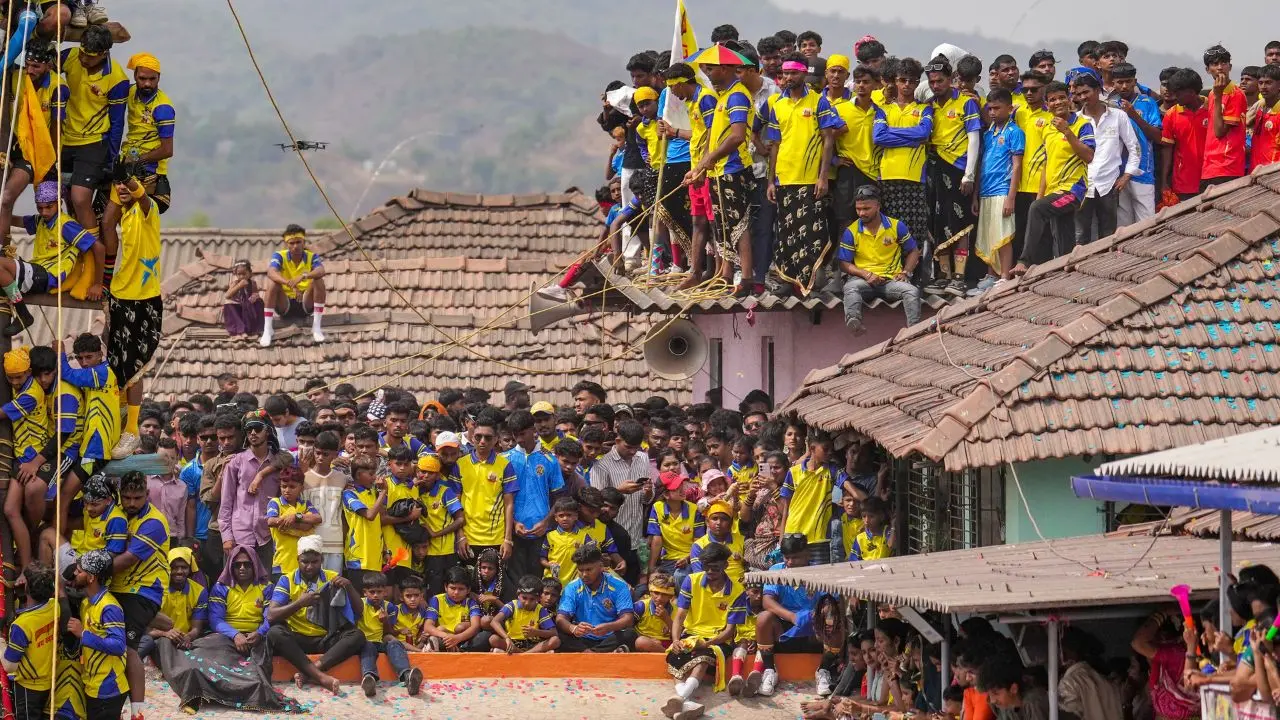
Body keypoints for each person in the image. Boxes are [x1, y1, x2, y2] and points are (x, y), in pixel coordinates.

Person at [763, 52, 839, 295]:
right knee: (786, 234)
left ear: (804, 74)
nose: (788, 77)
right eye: (785, 73)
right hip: (785, 179)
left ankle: (813, 283)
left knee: (813, 232)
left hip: (810, 180)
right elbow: (774, 145)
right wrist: (771, 180)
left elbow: (829, 141)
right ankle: (789, 282)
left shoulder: (819, 102)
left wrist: (823, 176)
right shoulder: (778, 104)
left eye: (793, 73)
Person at [681, 54, 757, 296]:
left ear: (724, 68)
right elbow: (712, 137)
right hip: (718, 169)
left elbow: (736, 136)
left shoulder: (737, 95)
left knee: (739, 224)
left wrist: (709, 159)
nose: (708, 74)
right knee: (722, 224)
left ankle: (745, 277)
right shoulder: (723, 96)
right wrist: (699, 167)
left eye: (710, 69)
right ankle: (725, 274)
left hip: (734, 167)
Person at [1012, 82, 1096, 275]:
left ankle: (1024, 260)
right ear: (1047, 104)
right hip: (1053, 191)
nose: (1057, 102)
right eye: (1052, 100)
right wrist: (1041, 194)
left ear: (1069, 99)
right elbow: (1046, 164)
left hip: (1073, 190)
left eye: (1061, 98)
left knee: (1037, 209)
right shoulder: (1048, 128)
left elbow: (1089, 156)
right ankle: (1066, 273)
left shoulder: (1083, 125)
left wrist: (1067, 131)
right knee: (1063, 237)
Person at [0, 181, 102, 337]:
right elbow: (15, 220)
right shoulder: (41, 220)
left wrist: (97, 283)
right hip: (36, 270)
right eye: (40, 208)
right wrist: (4, 208)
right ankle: (20, 309)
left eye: (49, 207)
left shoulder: (66, 225)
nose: (44, 212)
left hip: (48, 276)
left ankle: (23, 313)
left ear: (59, 203)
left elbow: (99, 248)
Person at [266, 535, 363, 693]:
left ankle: (310, 672)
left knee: (357, 636)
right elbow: (271, 615)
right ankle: (321, 677)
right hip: (296, 639)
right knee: (275, 633)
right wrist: (299, 603)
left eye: (314, 562)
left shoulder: (332, 577)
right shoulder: (287, 580)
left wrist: (350, 587)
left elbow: (359, 611)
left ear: (322, 559)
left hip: (325, 638)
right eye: (305, 562)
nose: (309, 567)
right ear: (298, 559)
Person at [662, 542, 748, 719]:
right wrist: (676, 640)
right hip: (691, 634)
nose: (709, 572)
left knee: (702, 658)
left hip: (718, 640)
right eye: (706, 567)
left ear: (725, 565)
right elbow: (679, 617)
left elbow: (730, 631)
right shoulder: (691, 580)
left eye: (715, 568)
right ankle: (685, 703)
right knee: (674, 656)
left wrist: (707, 643)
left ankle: (680, 698)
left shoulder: (738, 591)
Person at [110, 470, 170, 720]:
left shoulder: (154, 522)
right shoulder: (117, 514)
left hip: (144, 590)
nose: (132, 503)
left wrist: (86, 573)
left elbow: (126, 560)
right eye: (126, 497)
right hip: (117, 589)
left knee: (129, 647)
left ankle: (137, 712)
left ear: (147, 494)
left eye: (137, 498)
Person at [60, 25, 129, 236]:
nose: (83, 59)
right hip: (62, 139)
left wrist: (111, 158)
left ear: (104, 53)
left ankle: (91, 251)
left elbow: (117, 123)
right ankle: (73, 255)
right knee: (66, 200)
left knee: (80, 199)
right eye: (82, 52)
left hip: (92, 144)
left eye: (89, 57)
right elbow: (42, 70)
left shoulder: (117, 78)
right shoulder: (69, 56)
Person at [874, 58, 935, 282]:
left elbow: (924, 134)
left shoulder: (924, 109)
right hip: (887, 176)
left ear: (917, 83)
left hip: (914, 177)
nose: (907, 85)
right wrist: (912, 136)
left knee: (914, 230)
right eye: (902, 80)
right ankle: (890, 274)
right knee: (889, 230)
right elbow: (879, 137)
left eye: (912, 80)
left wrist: (896, 135)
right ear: (895, 82)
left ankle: (913, 275)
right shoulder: (883, 110)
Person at [925, 54, 981, 295]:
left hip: (958, 168)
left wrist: (969, 175)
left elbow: (974, 138)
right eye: (932, 82)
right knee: (937, 222)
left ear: (951, 79)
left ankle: (959, 276)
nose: (936, 85)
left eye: (940, 80)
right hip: (934, 168)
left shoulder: (966, 102)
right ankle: (942, 275)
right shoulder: (929, 105)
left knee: (960, 224)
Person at [0, 41, 65, 242]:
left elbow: (56, 127)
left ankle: (3, 251)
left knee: (6, 198)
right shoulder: (14, 77)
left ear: (49, 65)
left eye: (36, 66)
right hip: (8, 145)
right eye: (27, 64)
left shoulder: (58, 87)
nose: (30, 70)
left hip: (33, 152)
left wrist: (53, 162)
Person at [837, 184, 922, 334]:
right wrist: (866, 275)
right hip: (864, 281)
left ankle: (915, 332)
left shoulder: (896, 226)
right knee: (850, 288)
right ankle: (854, 324)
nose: (861, 213)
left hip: (891, 281)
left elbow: (913, 251)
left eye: (866, 208)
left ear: (878, 206)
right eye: (858, 209)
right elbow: (844, 264)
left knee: (912, 292)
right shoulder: (851, 231)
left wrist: (906, 272)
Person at [1071, 69, 1140, 244]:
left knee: (1108, 233)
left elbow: (1134, 147)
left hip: (1109, 183)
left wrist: (1126, 176)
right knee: (1080, 235)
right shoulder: (1075, 121)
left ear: (1098, 89)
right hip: (1081, 184)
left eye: (1087, 91)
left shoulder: (1118, 116)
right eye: (1079, 94)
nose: (1083, 97)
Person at [748, 533, 818, 697]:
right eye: (787, 558)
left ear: (807, 554)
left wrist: (814, 616)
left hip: (813, 628)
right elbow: (767, 602)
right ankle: (769, 670)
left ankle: (825, 670)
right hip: (784, 628)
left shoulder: (819, 571)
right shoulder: (775, 570)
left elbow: (830, 603)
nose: (790, 562)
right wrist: (792, 617)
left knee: (832, 619)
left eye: (796, 558)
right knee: (764, 618)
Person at [219, 410, 285, 572]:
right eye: (249, 430)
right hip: (240, 534)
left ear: (267, 431)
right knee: (239, 584)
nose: (253, 433)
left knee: (267, 584)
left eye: (257, 428)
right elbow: (226, 502)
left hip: (269, 534)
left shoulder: (279, 462)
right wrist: (226, 537)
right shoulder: (236, 462)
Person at [68, 549, 129, 720]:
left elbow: (118, 646)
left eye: (79, 571)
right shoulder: (87, 603)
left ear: (91, 577)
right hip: (92, 685)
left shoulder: (109, 607)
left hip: (109, 688)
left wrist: (83, 634)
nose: (75, 573)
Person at [504, 409, 564, 585]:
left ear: (533, 430)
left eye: (523, 434)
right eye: (515, 435)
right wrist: (513, 523)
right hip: (513, 533)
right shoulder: (505, 460)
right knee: (516, 583)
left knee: (539, 581)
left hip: (542, 533)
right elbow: (501, 499)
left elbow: (559, 498)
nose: (519, 439)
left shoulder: (550, 460)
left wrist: (546, 522)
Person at [827, 57, 880, 251]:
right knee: (845, 220)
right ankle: (843, 268)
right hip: (848, 172)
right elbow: (824, 138)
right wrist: (834, 160)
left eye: (866, 82)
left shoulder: (881, 112)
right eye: (858, 82)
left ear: (875, 85)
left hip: (872, 174)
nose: (861, 86)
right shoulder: (840, 110)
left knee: (869, 221)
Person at [973, 88, 1024, 287]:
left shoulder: (1015, 132)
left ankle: (1004, 276)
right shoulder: (987, 134)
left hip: (1003, 190)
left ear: (1009, 108)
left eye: (997, 108)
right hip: (986, 190)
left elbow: (1017, 165)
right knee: (989, 235)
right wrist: (975, 195)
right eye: (990, 108)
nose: (992, 112)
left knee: (1003, 235)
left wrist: (1011, 197)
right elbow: (981, 165)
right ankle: (991, 275)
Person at [455, 413, 517, 566]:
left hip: (496, 538)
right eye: (478, 437)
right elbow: (454, 504)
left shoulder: (505, 465)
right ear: (472, 437)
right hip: (467, 538)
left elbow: (509, 504)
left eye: (488, 438)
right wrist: (460, 536)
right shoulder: (460, 465)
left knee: (493, 588)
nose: (482, 441)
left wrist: (508, 539)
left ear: (496, 439)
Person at [353, 571, 424, 697]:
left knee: (394, 643)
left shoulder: (389, 607)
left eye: (379, 592)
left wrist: (385, 621)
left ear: (385, 592)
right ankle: (369, 678)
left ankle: (407, 676)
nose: (376, 596)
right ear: (365, 592)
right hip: (364, 643)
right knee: (368, 647)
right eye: (372, 592)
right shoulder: (359, 604)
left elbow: (389, 632)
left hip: (381, 641)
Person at [555, 545, 637, 652]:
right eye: (580, 570)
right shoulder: (572, 587)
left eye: (589, 569)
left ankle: (589, 653)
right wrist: (573, 628)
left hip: (609, 637)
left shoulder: (619, 586)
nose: (584, 574)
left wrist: (609, 627)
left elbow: (628, 619)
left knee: (630, 634)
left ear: (601, 566)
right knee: (558, 631)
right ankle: (599, 653)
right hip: (582, 638)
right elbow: (561, 618)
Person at [4, 562, 58, 720]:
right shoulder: (55, 607)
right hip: (48, 681)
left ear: (27, 587)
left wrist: (1, 644)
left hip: (28, 688)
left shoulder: (22, 625)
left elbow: (9, 665)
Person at [1112, 63, 1163, 225]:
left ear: (1135, 81)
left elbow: (1157, 136)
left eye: (1128, 81)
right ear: (1113, 83)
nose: (1124, 86)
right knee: (1123, 223)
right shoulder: (1110, 105)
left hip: (1143, 171)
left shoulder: (1147, 103)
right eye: (1120, 82)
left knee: (1146, 222)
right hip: (1118, 172)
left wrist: (1134, 115)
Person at [260, 224, 326, 347]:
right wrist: (290, 284)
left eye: (298, 242)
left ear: (303, 242)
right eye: (292, 243)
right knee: (273, 283)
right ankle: (267, 329)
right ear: (286, 244)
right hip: (285, 304)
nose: (295, 246)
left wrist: (304, 276)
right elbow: (271, 272)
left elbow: (321, 271)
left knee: (318, 280)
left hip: (305, 302)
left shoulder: (312, 257)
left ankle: (316, 327)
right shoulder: (279, 256)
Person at [139, 547, 206, 663]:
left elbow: (196, 628)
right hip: (158, 638)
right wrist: (165, 633)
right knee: (146, 642)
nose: (179, 571)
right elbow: (145, 628)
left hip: (186, 639)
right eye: (174, 567)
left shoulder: (199, 591)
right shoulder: (156, 589)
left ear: (190, 569)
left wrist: (188, 637)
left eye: (184, 567)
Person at [1160, 70, 1209, 202]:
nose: (1175, 96)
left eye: (1178, 93)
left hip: (1211, 177)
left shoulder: (1213, 109)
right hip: (1183, 183)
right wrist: (1164, 181)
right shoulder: (1171, 115)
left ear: (1192, 91)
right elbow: (1167, 149)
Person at [1203, 45, 1248, 187]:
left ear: (1230, 66)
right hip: (1210, 165)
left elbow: (1219, 131)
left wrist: (1217, 96)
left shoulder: (1236, 94)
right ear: (1207, 69)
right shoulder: (1212, 93)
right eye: (1215, 64)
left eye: (1224, 63)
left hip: (1228, 165)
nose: (1220, 67)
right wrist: (1216, 94)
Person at [265, 466, 320, 579]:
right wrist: (304, 526)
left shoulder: (305, 504)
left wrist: (295, 517)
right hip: (282, 564)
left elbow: (317, 518)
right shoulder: (275, 503)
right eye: (284, 486)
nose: (287, 490)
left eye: (292, 487)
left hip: (305, 566)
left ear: (301, 488)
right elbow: (271, 521)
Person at [342, 456, 386, 585]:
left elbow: (379, 522)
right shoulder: (349, 494)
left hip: (375, 559)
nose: (374, 477)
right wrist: (383, 492)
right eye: (371, 474)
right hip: (358, 559)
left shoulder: (373, 492)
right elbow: (369, 515)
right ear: (359, 474)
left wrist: (385, 550)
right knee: (360, 601)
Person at [490, 575, 560, 654]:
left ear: (539, 598)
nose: (527, 603)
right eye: (524, 598)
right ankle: (527, 654)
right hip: (512, 642)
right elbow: (494, 622)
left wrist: (536, 632)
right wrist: (506, 638)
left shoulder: (540, 609)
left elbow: (554, 633)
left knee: (555, 640)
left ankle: (523, 654)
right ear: (518, 594)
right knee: (493, 639)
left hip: (533, 644)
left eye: (532, 599)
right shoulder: (512, 606)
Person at [422, 565, 484, 652]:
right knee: (438, 631)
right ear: (445, 587)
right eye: (453, 588)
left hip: (463, 639)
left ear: (468, 590)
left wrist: (457, 638)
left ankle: (459, 648)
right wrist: (448, 637)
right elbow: (428, 626)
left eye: (461, 589)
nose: (456, 592)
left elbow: (475, 626)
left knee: (484, 637)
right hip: (444, 637)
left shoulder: (470, 602)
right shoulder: (436, 600)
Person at [634, 572, 676, 651]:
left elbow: (679, 635)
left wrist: (667, 619)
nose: (659, 598)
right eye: (656, 593)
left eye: (664, 594)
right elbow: (629, 629)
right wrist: (650, 640)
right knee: (641, 642)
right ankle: (666, 655)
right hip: (644, 641)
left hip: (668, 644)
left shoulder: (676, 610)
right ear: (650, 592)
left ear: (670, 596)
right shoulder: (641, 606)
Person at [1254, 64, 1280, 169]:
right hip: (1256, 171)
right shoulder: (1260, 110)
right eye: (1260, 83)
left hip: (1273, 173)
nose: (1263, 87)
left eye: (1268, 83)